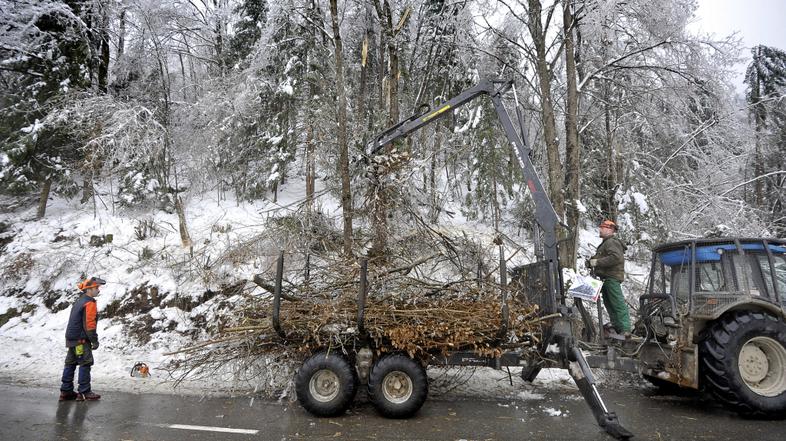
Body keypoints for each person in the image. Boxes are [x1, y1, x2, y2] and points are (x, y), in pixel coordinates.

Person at [59, 276, 105, 401]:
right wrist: (94, 340)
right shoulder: (89, 302)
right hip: (81, 340)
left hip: (72, 339)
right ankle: (84, 391)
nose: (98, 290)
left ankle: (66, 391)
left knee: (71, 363)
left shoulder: (79, 301)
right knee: (85, 363)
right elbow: (89, 324)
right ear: (89, 289)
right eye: (96, 288)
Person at [589, 220, 631, 338]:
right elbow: (602, 258)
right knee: (609, 303)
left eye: (603, 228)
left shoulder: (611, 242)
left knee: (617, 303)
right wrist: (591, 262)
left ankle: (625, 329)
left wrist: (597, 262)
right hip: (606, 278)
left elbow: (615, 257)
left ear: (610, 230)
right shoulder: (605, 243)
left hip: (611, 277)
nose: (600, 229)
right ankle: (618, 328)